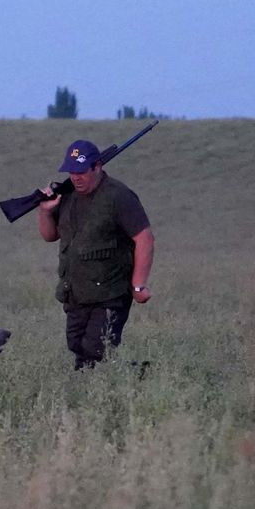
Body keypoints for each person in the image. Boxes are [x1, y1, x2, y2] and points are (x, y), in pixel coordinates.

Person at [36, 139, 154, 369]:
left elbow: (145, 239)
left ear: (97, 167)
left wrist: (139, 285)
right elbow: (50, 236)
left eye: (81, 171)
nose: (76, 177)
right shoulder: (67, 195)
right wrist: (44, 212)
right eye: (72, 172)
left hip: (110, 292)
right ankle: (134, 376)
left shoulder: (118, 196)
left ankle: (128, 383)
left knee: (96, 350)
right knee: (78, 348)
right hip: (76, 292)